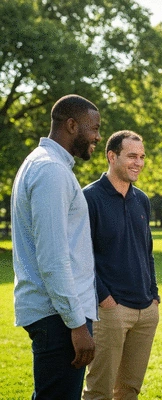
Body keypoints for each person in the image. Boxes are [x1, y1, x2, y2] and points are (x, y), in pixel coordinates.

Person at [11, 94, 101, 399]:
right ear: (72, 125)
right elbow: (53, 257)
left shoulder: (44, 165)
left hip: (57, 315)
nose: (98, 137)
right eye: (94, 128)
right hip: (59, 318)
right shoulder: (51, 170)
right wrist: (77, 325)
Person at [82, 130, 160, 400]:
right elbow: (81, 257)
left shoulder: (142, 199)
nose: (138, 162)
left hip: (145, 310)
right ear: (112, 156)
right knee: (99, 392)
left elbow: (146, 251)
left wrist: (154, 295)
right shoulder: (89, 198)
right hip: (110, 312)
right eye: (131, 156)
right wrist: (104, 298)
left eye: (141, 157)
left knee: (129, 391)